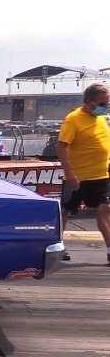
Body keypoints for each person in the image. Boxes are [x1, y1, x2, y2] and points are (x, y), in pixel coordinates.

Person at [56, 82, 110, 264]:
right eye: (102, 104)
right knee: (65, 211)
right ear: (89, 102)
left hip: (100, 175)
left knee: (104, 210)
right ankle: (58, 246)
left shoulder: (101, 118)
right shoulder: (73, 119)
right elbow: (61, 146)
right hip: (78, 177)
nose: (106, 107)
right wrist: (69, 174)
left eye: (107, 103)